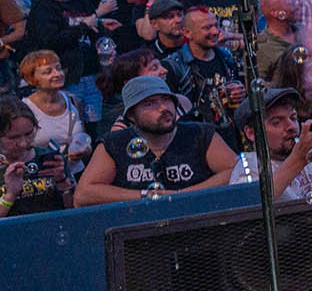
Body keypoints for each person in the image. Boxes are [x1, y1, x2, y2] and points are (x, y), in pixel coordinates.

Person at [75, 75, 237, 204]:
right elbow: (83, 195)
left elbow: (237, 170)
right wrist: (147, 196)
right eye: (150, 103)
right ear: (131, 115)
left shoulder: (200, 133)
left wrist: (184, 195)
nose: (163, 108)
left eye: (166, 99)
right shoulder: (115, 144)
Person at [227, 87, 312, 202]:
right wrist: (299, 158)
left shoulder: (306, 155)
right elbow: (255, 205)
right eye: (277, 122)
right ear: (252, 133)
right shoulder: (247, 169)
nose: (291, 126)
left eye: (293, 118)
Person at [17, 49, 90, 174]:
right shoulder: (24, 109)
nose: (57, 74)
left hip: (76, 174)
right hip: (43, 176)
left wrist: (86, 149)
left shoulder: (72, 100)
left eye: (58, 68)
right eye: (48, 72)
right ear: (32, 79)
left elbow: (82, 136)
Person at [0, 96, 70, 216]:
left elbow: (75, 209)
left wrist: (62, 181)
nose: (23, 143)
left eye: (28, 134)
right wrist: (10, 195)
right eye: (13, 137)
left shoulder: (49, 159)